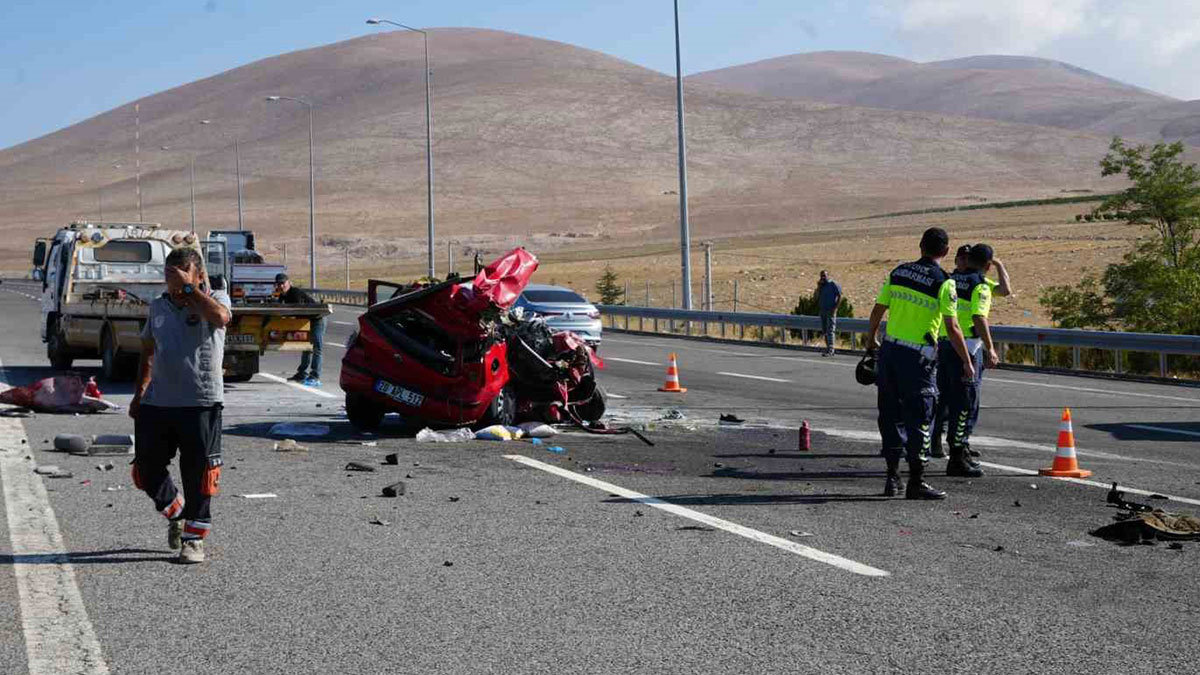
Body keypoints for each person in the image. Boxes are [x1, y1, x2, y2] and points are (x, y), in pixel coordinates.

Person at [130, 247, 232, 564]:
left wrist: (189, 289)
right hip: (158, 402)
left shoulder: (215, 300)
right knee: (144, 469)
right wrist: (139, 392)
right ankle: (175, 510)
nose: (174, 276)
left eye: (183, 270)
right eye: (170, 271)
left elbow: (220, 318)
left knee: (200, 473)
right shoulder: (158, 307)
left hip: (200, 402)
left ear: (199, 274)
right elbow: (148, 349)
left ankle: (193, 541)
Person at [865, 227, 975, 500]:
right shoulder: (944, 282)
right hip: (918, 360)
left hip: (890, 351)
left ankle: (892, 478)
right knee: (920, 418)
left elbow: (878, 309)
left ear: (920, 246)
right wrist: (966, 361)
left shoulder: (899, 272)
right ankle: (917, 480)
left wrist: (871, 340)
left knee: (890, 416)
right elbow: (953, 328)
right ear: (946, 252)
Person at [937, 244, 1000, 477]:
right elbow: (978, 317)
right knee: (965, 404)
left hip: (945, 345)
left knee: (948, 402)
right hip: (967, 348)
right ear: (987, 265)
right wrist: (991, 348)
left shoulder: (953, 279)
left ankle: (957, 452)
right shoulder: (980, 285)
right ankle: (956, 459)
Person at [275, 273, 325, 387]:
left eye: (283, 283)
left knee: (317, 347)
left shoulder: (295, 293)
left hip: (317, 319)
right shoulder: (283, 296)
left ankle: (315, 376)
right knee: (306, 347)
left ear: (288, 282)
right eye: (279, 284)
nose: (281, 286)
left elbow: (298, 312)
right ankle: (302, 373)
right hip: (306, 321)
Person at [816, 270, 843, 356]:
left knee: (830, 330)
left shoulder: (833, 284)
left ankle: (831, 350)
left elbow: (839, 296)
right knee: (824, 330)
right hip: (823, 310)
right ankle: (828, 348)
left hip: (830, 310)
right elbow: (816, 297)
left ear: (828, 276)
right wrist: (818, 287)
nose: (823, 277)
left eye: (824, 276)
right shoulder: (821, 286)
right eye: (821, 276)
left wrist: (835, 308)